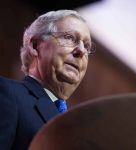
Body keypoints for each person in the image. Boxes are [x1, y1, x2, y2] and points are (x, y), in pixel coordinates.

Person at [0, 10, 95, 150]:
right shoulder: (8, 94)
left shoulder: (77, 129)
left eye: (86, 46)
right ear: (35, 45)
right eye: (69, 37)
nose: (81, 50)